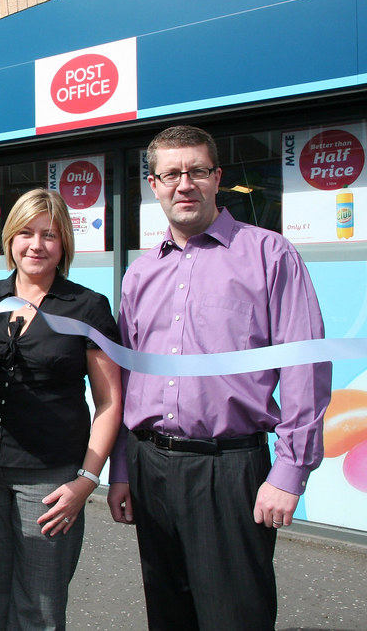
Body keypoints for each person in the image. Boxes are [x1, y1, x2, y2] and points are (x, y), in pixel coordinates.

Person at [107, 125, 332, 630]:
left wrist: (290, 472)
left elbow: (305, 366)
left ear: (217, 178)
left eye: (197, 171)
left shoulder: (269, 255)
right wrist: (122, 466)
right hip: (150, 467)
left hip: (228, 470)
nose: (184, 184)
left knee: (235, 616)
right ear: (154, 183)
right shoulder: (140, 274)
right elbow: (126, 378)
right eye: (171, 173)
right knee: (168, 615)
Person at [0, 188, 122, 631]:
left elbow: (109, 401)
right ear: (9, 238)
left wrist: (86, 480)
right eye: (25, 233)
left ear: (64, 245)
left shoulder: (86, 306)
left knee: (39, 608)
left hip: (51, 478)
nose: (36, 245)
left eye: (50, 234)